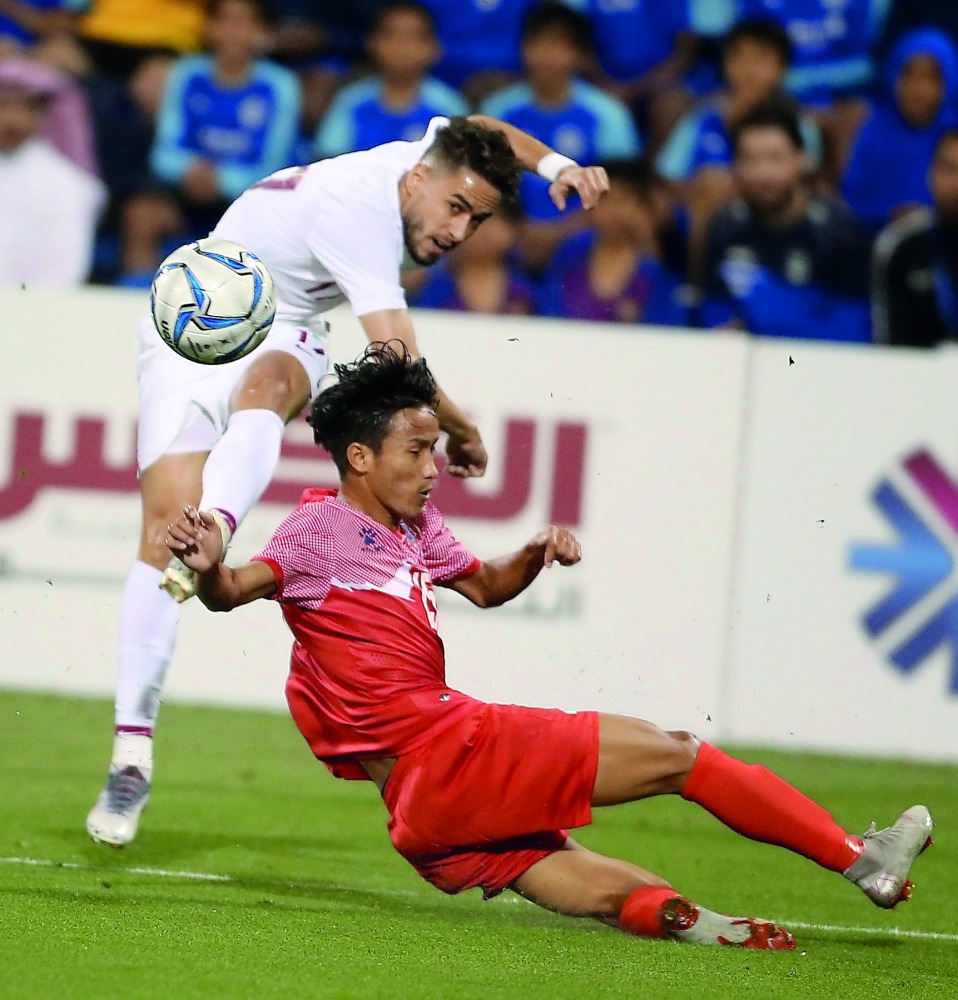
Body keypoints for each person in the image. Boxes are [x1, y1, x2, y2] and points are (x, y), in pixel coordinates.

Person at [163, 341, 934, 949]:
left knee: (557, 865)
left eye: (435, 450)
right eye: (416, 451)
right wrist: (208, 568)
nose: (433, 468)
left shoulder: (416, 528)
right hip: (449, 748)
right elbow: (236, 589)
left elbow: (484, 586)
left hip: (419, 814)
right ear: (359, 458)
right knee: (681, 756)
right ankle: (862, 859)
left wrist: (533, 554)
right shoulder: (321, 528)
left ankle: (680, 917)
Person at [84, 113, 611, 847]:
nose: (459, 233)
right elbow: (400, 363)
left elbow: (481, 126)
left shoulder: (429, 156)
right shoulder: (360, 213)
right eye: (456, 209)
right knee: (159, 539)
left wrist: (555, 166)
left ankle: (218, 527)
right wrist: (461, 429)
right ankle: (131, 753)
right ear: (418, 179)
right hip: (200, 309)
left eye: (478, 219)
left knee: (269, 388)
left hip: (286, 321)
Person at [116, 0, 302, 286]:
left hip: (248, 199)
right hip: (185, 192)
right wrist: (189, 169)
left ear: (263, 33)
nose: (232, 32)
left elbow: (275, 162)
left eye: (242, 23)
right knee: (141, 214)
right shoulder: (187, 74)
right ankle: (137, 295)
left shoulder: (279, 84)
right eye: (223, 21)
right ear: (208, 28)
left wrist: (222, 180)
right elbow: (164, 151)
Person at [479, 1, 641, 273]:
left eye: (558, 44)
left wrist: (557, 233)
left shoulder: (608, 115)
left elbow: (621, 191)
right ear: (523, 48)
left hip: (583, 233)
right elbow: (482, 181)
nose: (547, 55)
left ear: (580, 54)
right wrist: (519, 229)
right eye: (538, 42)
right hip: (513, 235)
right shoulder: (497, 111)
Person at [700, 99, 873, 341]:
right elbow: (712, 311)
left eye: (775, 159)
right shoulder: (725, 226)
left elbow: (854, 332)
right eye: (750, 159)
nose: (763, 174)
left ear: (801, 160)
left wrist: (772, 315)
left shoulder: (841, 234)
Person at [537, 158, 686, 326]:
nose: (612, 211)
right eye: (604, 200)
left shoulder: (654, 269)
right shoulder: (569, 254)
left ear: (640, 206)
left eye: (621, 200)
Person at [314, 2, 468, 161]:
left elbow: (459, 165)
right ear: (372, 43)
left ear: (434, 47)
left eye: (412, 37)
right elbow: (328, 156)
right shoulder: (352, 101)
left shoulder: (448, 106)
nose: (401, 47)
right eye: (391, 35)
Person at [0, 55, 106, 285]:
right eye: (3, 106)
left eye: (22, 108)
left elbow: (64, 272)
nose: (10, 120)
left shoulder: (65, 183)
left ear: (41, 114)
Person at [841, 28, 958, 233]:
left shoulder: (952, 136)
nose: (919, 90)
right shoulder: (872, 135)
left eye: (932, 78)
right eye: (909, 75)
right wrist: (890, 218)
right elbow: (852, 204)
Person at [872, 129, 958, 347]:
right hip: (916, 366)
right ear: (932, 174)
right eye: (950, 169)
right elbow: (888, 339)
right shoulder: (901, 244)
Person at [409, 196, 536, 315]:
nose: (485, 229)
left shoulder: (528, 287)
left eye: (495, 218)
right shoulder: (429, 286)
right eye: (475, 219)